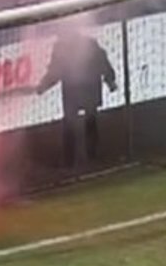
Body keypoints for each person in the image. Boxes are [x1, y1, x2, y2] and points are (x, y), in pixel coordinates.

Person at [37, 28, 117, 166]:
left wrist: (43, 86)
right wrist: (110, 79)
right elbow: (55, 72)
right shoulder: (75, 46)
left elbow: (55, 72)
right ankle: (81, 158)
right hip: (80, 88)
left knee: (82, 121)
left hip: (82, 88)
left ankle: (78, 159)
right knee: (82, 121)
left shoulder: (77, 46)